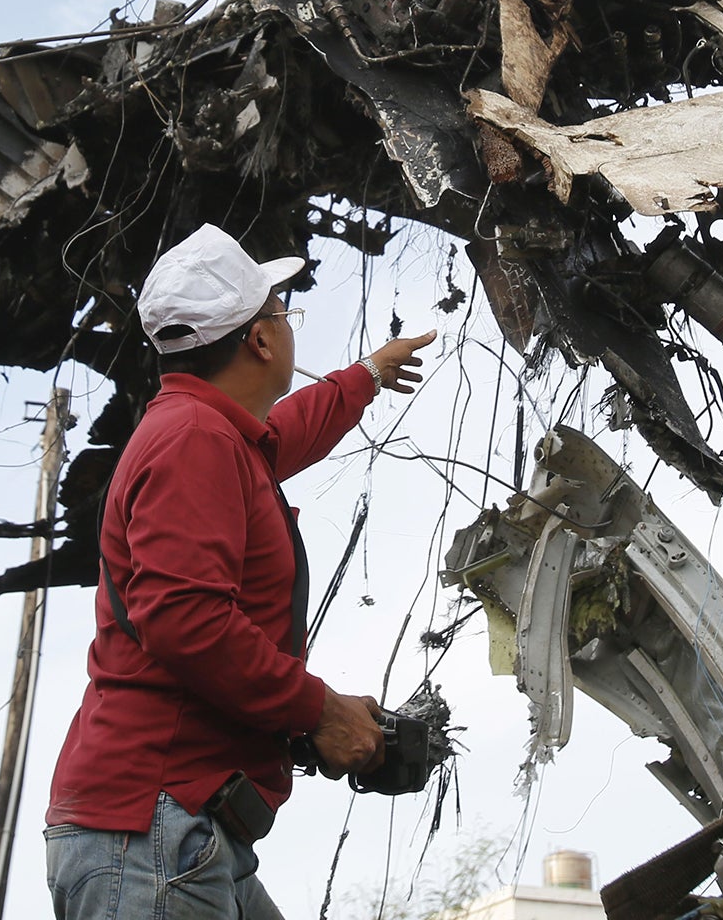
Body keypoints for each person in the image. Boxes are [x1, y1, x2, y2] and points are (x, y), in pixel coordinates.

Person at [43, 223, 436, 920]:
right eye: (283, 312)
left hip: (175, 832)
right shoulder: (194, 442)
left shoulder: (208, 435)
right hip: (152, 834)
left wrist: (366, 376)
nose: (288, 327)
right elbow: (186, 620)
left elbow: (282, 437)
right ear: (259, 339)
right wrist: (318, 708)